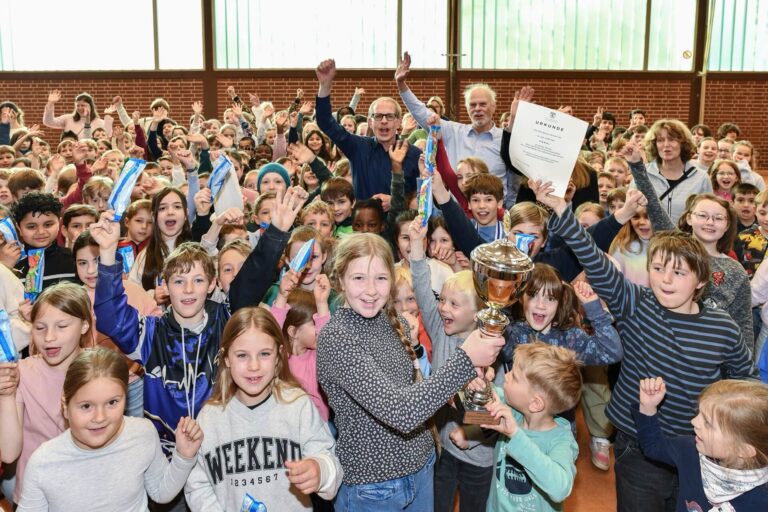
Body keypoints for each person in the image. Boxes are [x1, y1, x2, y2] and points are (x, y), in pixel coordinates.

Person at [530, 177, 752, 512]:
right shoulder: (636, 303)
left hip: (699, 449)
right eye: (659, 268)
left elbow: (744, 382)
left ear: (701, 281)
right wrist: (561, 209)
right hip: (637, 443)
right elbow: (594, 260)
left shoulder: (723, 328)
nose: (665, 279)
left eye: (678, 273)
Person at [316, 232, 505, 511]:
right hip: (375, 488)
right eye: (358, 278)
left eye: (380, 278)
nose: (370, 290)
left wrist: (465, 392)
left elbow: (417, 391)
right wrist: (464, 360)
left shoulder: (395, 324)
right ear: (339, 280)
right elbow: (400, 413)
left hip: (422, 468)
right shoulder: (337, 338)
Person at [184, 307, 341, 511]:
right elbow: (197, 485)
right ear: (226, 358)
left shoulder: (297, 405)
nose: (254, 366)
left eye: (265, 354)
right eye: (242, 355)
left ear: (278, 356)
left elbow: (329, 462)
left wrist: (320, 471)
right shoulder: (209, 417)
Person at [18, 348, 203, 511]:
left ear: (125, 399)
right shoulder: (43, 463)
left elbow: (160, 492)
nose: (100, 418)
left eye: (112, 402)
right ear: (65, 406)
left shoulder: (142, 433)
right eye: (86, 406)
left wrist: (183, 457)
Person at [0, 284, 94, 503]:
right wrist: (6, 395)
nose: (49, 337)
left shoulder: (99, 372)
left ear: (84, 325)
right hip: (36, 496)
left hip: (89, 492)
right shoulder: (21, 373)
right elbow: (9, 453)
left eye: (62, 326)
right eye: (39, 328)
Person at [396, 52, 515, 206]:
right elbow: (420, 111)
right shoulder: (452, 131)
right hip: (456, 215)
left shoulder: (505, 140)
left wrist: (508, 214)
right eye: (472, 105)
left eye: (483, 104)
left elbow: (513, 182)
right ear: (467, 108)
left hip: (493, 218)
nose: (477, 109)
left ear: (493, 107)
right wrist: (401, 84)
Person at [634, 378, 768, 511]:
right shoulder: (688, 450)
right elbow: (653, 446)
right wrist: (648, 407)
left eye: (707, 423)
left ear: (743, 450)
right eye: (699, 413)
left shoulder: (762, 499)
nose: (694, 422)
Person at [483, 342, 583, 512]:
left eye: (514, 376)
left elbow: (560, 488)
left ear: (535, 404)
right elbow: (489, 395)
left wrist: (516, 435)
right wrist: (479, 382)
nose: (506, 376)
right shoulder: (515, 412)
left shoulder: (560, 441)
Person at [316, 59, 420, 202]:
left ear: (398, 122)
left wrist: (397, 201)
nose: (383, 121)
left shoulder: (414, 154)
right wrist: (325, 86)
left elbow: (422, 195)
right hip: (362, 222)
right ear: (370, 122)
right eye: (378, 116)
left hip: (402, 222)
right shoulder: (357, 147)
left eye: (389, 116)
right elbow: (325, 122)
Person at [630, 119, 712, 223]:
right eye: (660, 140)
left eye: (672, 139)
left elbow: (708, 215)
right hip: (649, 238)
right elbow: (631, 211)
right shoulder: (643, 174)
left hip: (686, 238)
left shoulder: (701, 178)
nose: (666, 145)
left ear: (683, 143)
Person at [43, 91, 113, 140]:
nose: (80, 108)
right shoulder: (68, 119)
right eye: (78, 105)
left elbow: (108, 135)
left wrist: (108, 116)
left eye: (83, 105)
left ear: (90, 106)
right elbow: (48, 122)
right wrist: (50, 103)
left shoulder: (100, 122)